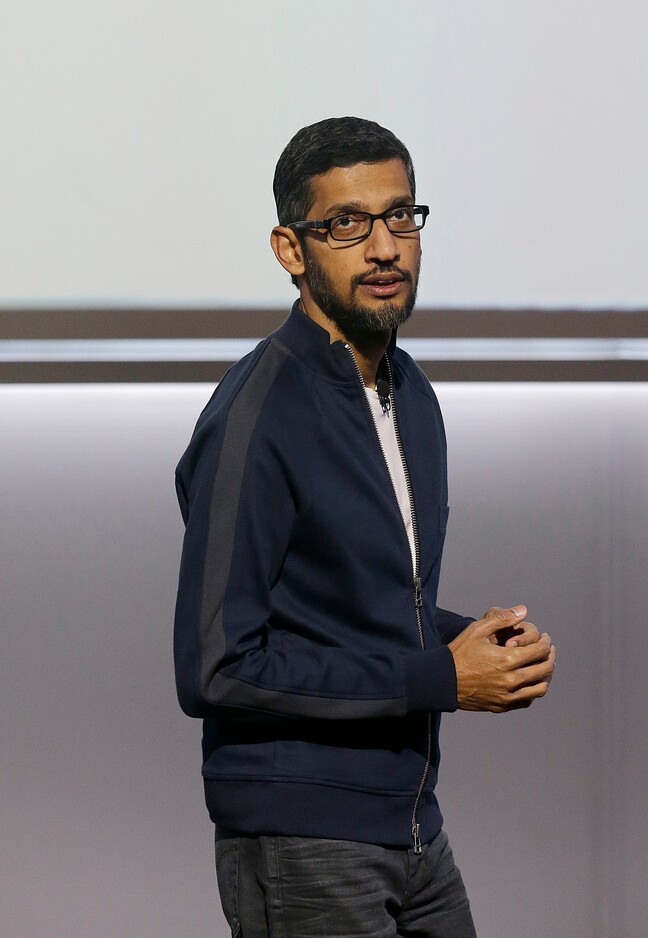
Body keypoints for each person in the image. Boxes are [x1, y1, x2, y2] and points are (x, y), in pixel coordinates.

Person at [174, 116, 555, 938]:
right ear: (291, 249)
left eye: (400, 216)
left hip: (411, 824)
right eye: (346, 224)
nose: (384, 247)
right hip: (303, 837)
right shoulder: (257, 415)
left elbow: (353, 606)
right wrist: (440, 678)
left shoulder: (408, 390)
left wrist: (472, 642)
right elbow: (217, 667)